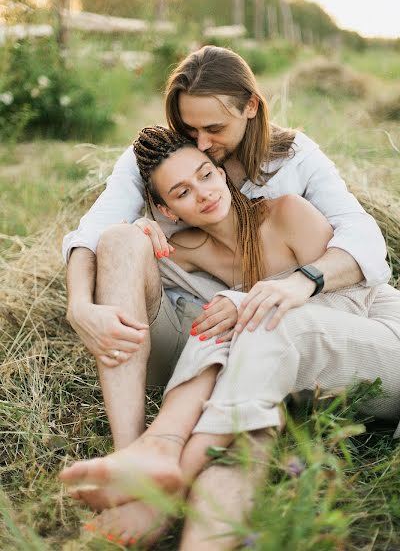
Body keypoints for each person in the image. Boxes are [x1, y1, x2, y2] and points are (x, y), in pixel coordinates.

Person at [62, 47, 390, 539]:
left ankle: (165, 476)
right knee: (153, 264)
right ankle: (132, 454)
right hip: (230, 331)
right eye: (189, 128)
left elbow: (364, 244)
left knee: (248, 326)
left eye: (213, 130)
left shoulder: (291, 174)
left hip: (315, 324)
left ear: (250, 107)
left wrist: (297, 283)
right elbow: (96, 232)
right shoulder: (164, 159)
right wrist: (81, 303)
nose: (201, 142)